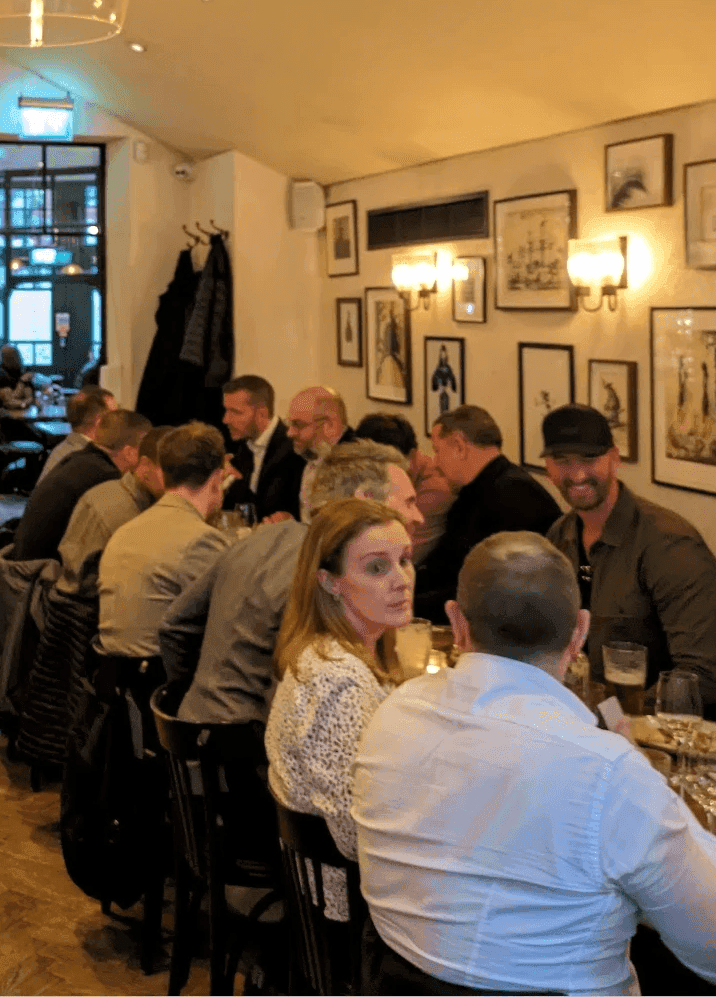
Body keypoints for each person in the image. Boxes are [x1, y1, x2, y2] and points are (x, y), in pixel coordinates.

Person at [353, 531, 716, 996]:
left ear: (456, 623)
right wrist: (648, 782)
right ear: (579, 632)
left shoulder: (392, 716)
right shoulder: (610, 774)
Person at [162, 439, 422, 724]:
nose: (417, 517)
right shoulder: (324, 571)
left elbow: (174, 625)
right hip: (251, 748)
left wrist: (187, 703)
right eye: (409, 502)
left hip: (194, 729)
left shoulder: (255, 539)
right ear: (365, 500)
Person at [265, 497, 413, 873]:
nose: (402, 580)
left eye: (405, 560)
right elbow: (354, 838)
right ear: (329, 582)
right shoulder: (338, 680)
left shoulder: (340, 652)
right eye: (377, 567)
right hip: (349, 899)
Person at [542, 403, 716, 715]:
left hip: (657, 735)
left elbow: (703, 675)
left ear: (614, 459)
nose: (577, 473)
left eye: (589, 459)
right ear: (548, 467)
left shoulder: (670, 545)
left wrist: (611, 720)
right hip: (581, 723)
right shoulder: (559, 534)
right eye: (563, 461)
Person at [415, 404, 561, 622]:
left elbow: (490, 591)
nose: (435, 464)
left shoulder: (515, 497)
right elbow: (444, 567)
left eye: (437, 450)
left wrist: (410, 605)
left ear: (459, 445)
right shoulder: (476, 492)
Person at [98, 421, 229, 659]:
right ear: (218, 478)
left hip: (112, 677)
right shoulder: (201, 539)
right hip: (163, 684)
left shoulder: (126, 530)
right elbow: (230, 618)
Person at [11, 409, 150, 562]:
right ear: (129, 453)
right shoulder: (105, 477)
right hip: (39, 574)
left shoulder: (81, 458)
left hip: (22, 561)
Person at [56, 425, 169, 597]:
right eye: (170, 471)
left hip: (72, 599)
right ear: (145, 465)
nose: (181, 482)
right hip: (81, 614)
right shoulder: (125, 514)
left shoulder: (119, 489)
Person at [355, 412, 454, 564]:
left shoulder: (435, 490)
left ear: (412, 455)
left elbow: (402, 554)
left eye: (384, 463)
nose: (375, 472)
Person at [221, 374, 305, 521]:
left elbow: (275, 511)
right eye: (226, 410)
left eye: (235, 412)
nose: (226, 419)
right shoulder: (241, 447)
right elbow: (238, 511)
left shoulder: (295, 449)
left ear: (262, 413)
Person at [285, 385, 356, 523]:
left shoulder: (357, 466)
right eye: (289, 424)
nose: (290, 433)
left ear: (329, 425)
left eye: (298, 425)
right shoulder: (301, 455)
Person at [37, 386, 117, 483]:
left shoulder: (63, 449)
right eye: (115, 415)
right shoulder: (89, 461)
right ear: (99, 421)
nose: (119, 421)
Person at [0, 345, 34, 411]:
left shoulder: (23, 371)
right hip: (6, 414)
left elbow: (29, 398)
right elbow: (9, 400)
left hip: (23, 412)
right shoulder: (2, 373)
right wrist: (21, 381)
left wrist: (22, 403)